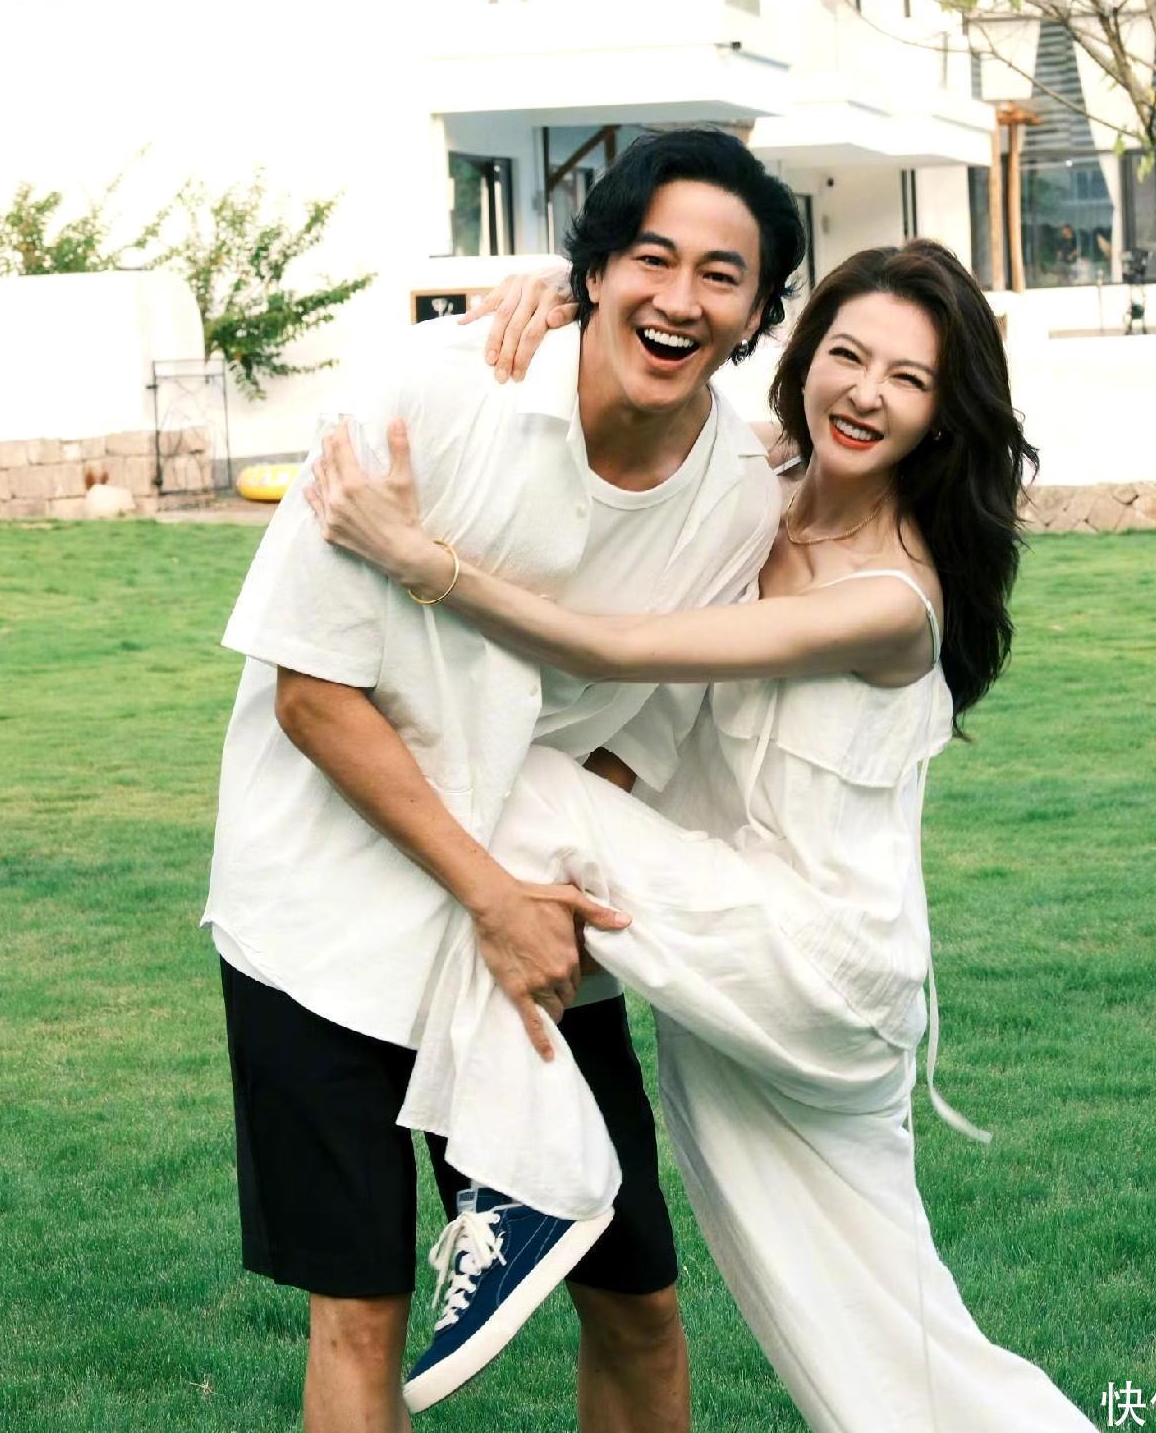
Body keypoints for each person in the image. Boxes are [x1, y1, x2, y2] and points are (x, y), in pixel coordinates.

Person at [308, 242, 1098, 1433]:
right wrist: (572, 290)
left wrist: (424, 563)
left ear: (946, 414)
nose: (865, 394)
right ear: (802, 355)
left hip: (813, 960)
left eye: (907, 379)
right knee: (884, 1338)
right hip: (739, 943)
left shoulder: (892, 598)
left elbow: (618, 652)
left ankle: (524, 1178)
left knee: (512, 792)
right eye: (846, 356)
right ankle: (524, 1173)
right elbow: (657, 382)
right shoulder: (760, 481)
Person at [204, 128, 805, 1433]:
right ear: (591, 270)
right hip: (323, 910)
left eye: (722, 275)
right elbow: (312, 696)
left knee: (635, 1295)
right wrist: (490, 893)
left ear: (759, 311)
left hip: (534, 915)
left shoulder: (737, 496)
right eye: (651, 258)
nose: (680, 299)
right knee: (359, 1313)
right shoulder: (431, 397)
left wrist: (532, 886)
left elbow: (650, 719)